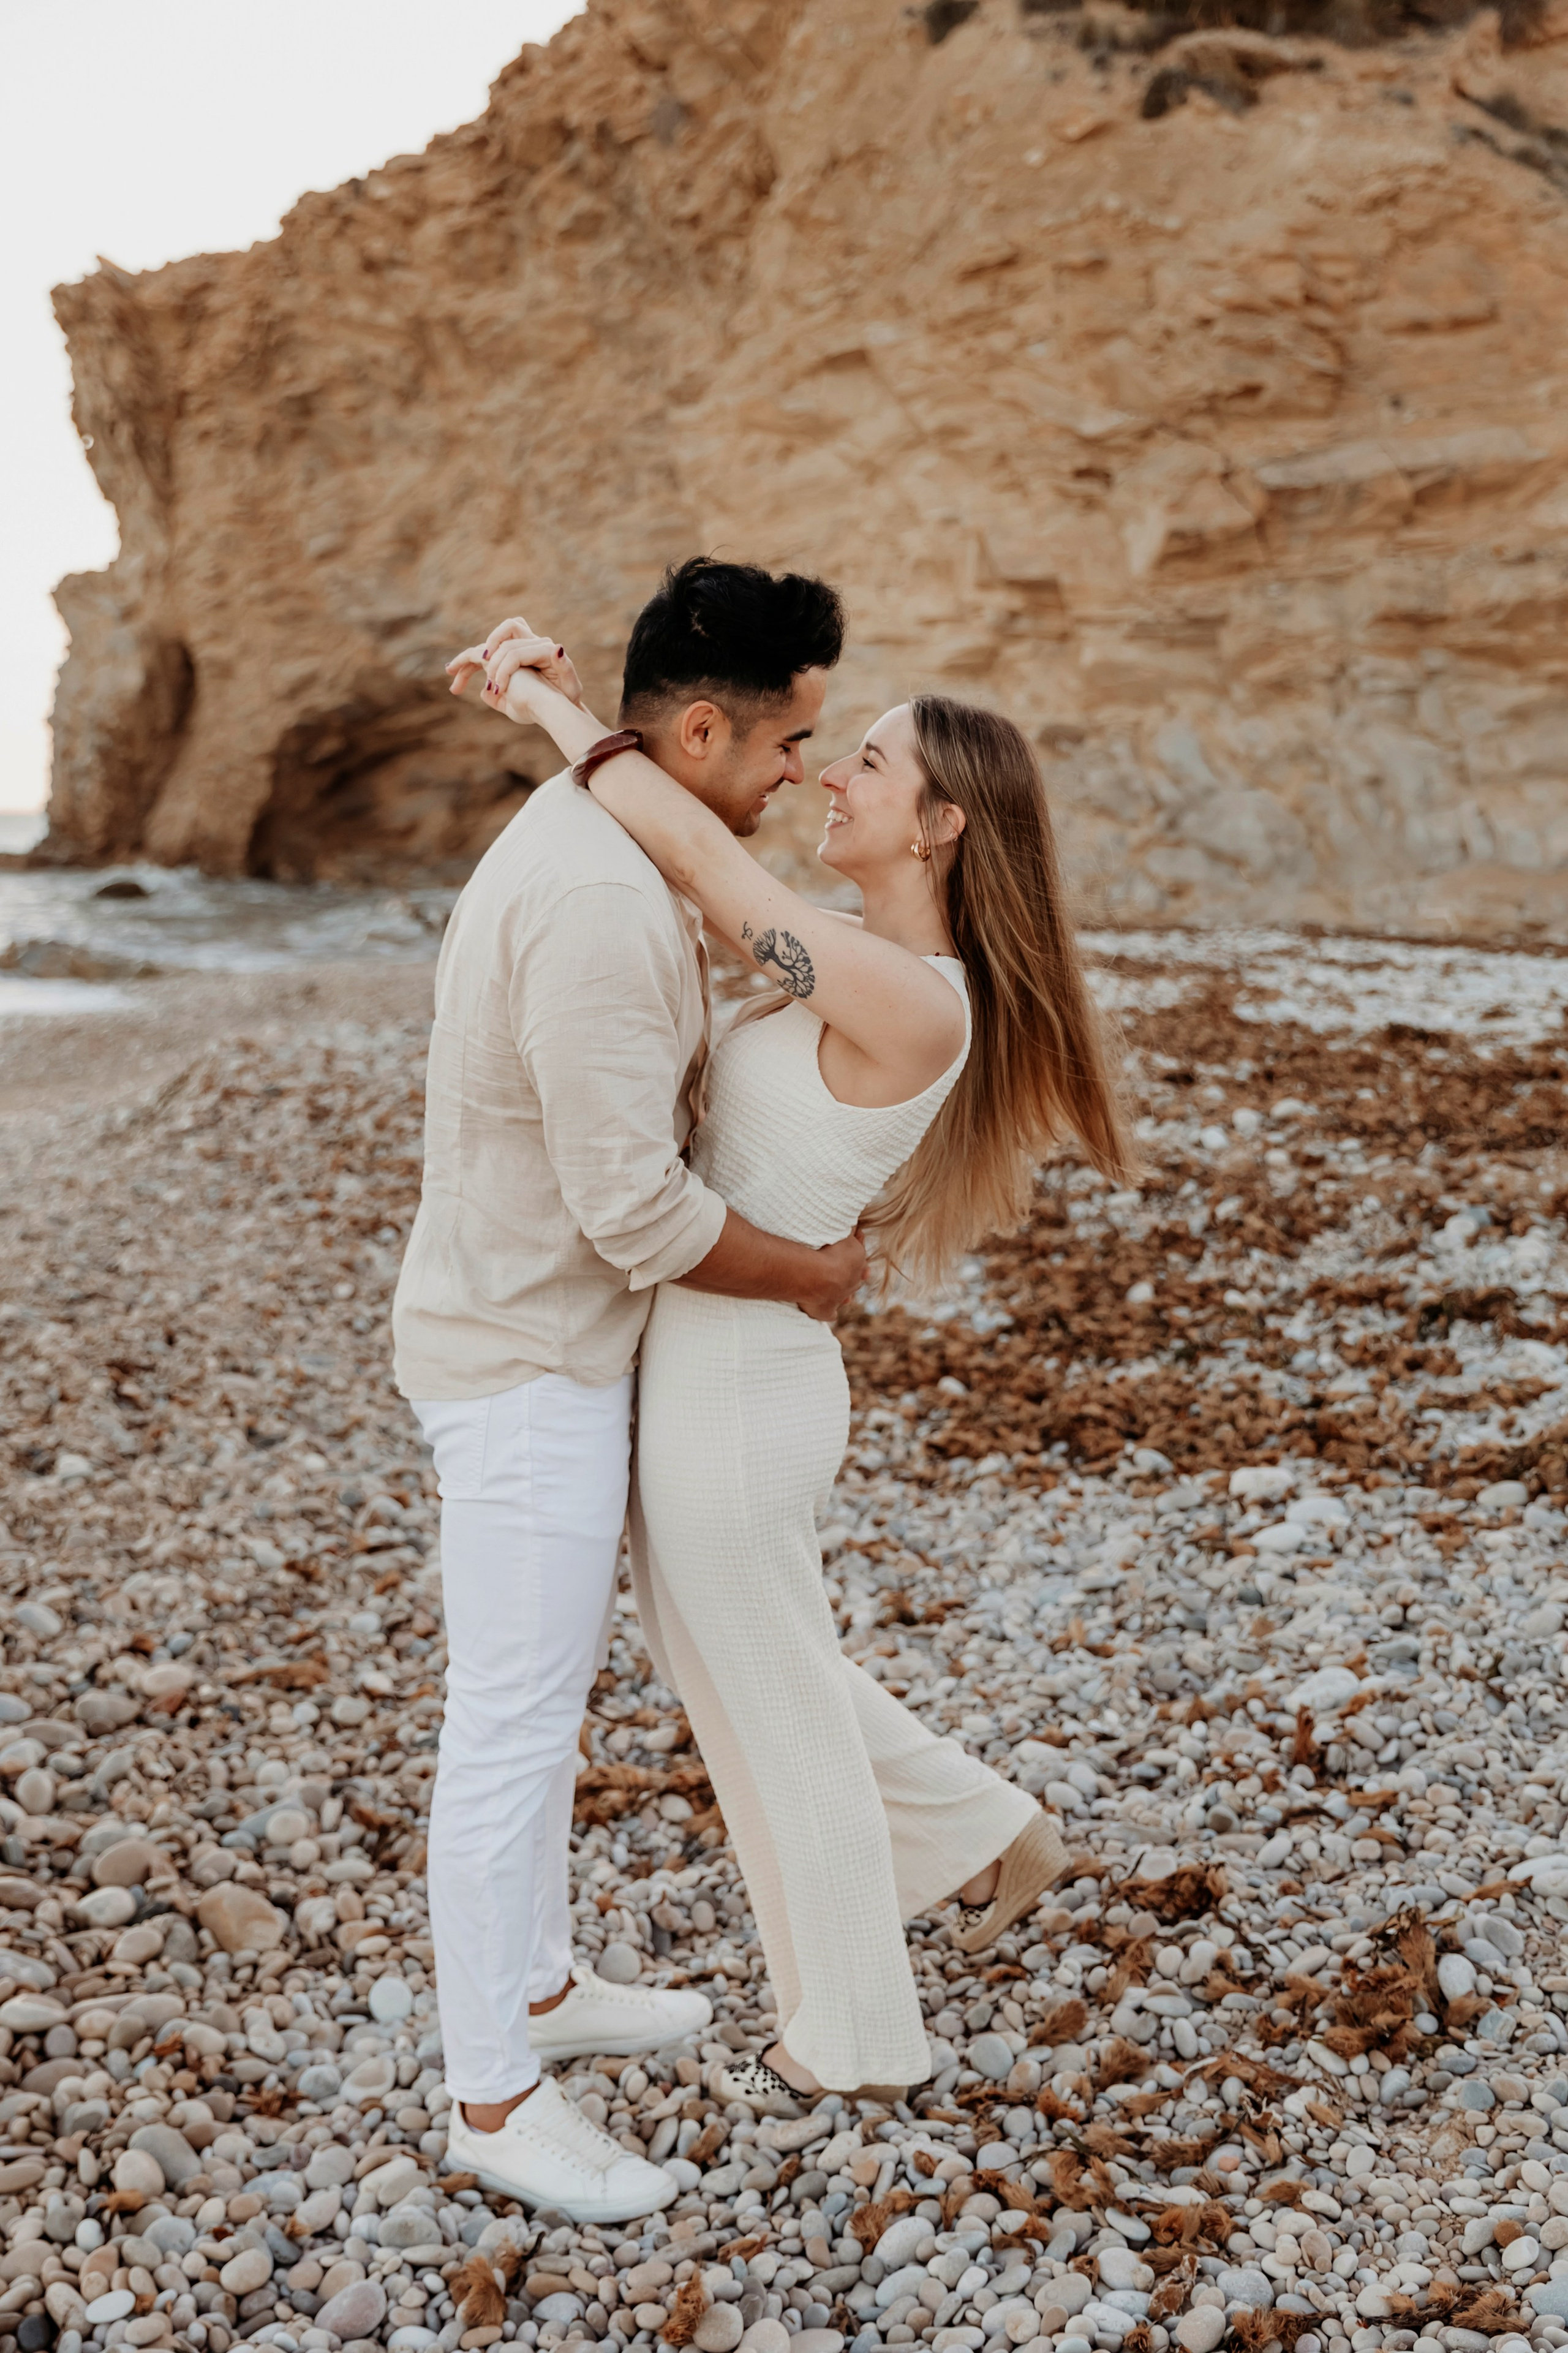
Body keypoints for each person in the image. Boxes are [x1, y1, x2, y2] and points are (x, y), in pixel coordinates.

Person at [453, 590, 1136, 2111]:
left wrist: (546, 705)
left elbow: (689, 850)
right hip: (717, 1376)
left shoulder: (909, 996)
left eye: (871, 764)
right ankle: (981, 1830)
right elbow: (684, 875)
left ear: (943, 824)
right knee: (762, 1673)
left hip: (743, 1401)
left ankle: (859, 2037)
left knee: (772, 1714)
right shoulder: (841, 958)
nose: (834, 775)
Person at [393, 558, 864, 2220]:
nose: (800, 772)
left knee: (545, 1702)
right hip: (524, 1360)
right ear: (705, 727)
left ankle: (533, 1986)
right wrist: (813, 1275)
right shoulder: (598, 896)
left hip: (546, 1339)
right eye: (791, 743)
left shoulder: (625, 816)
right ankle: (493, 2096)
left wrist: (538, 689)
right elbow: (635, 1212)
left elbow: (615, 775)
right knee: (511, 1728)